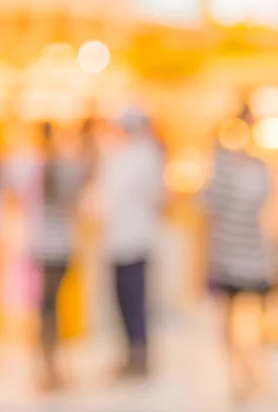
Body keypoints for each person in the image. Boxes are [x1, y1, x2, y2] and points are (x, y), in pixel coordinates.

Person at [201, 105, 277, 404]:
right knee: (227, 319)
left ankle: (253, 369)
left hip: (255, 253)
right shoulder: (223, 164)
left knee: (258, 320)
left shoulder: (261, 167)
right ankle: (237, 376)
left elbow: (269, 214)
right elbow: (210, 211)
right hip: (228, 253)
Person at [16, 121, 88, 391]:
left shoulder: (31, 168)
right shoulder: (66, 168)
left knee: (45, 307)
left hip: (41, 246)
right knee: (54, 306)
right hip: (63, 246)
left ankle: (49, 365)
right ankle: (55, 365)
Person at [98, 110, 164, 378]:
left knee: (135, 300)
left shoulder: (144, 156)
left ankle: (139, 356)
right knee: (123, 300)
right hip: (119, 240)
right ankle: (130, 353)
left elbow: (151, 196)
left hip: (135, 240)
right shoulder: (121, 155)